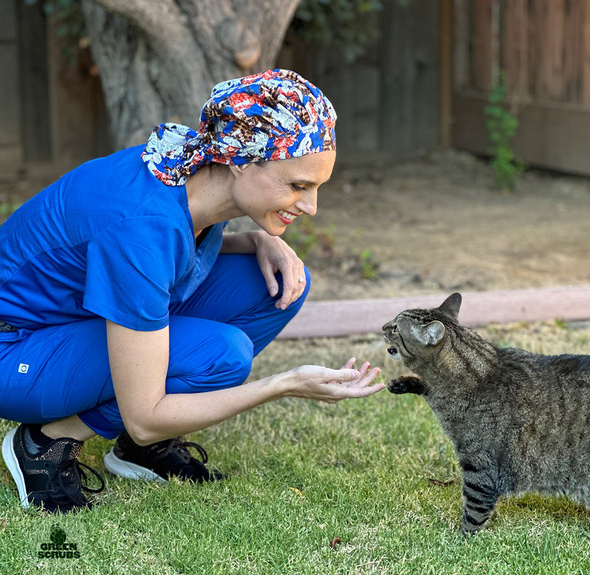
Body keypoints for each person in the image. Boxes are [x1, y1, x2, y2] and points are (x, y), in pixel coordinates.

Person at [0, 69, 384, 514]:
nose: (311, 206)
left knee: (279, 283)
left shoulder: (193, 166)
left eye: (317, 187)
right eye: (298, 185)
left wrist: (257, 239)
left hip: (74, 316)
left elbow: (176, 247)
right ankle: (45, 441)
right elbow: (145, 419)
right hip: (15, 348)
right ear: (240, 160)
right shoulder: (144, 228)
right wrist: (284, 384)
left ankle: (132, 449)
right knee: (222, 354)